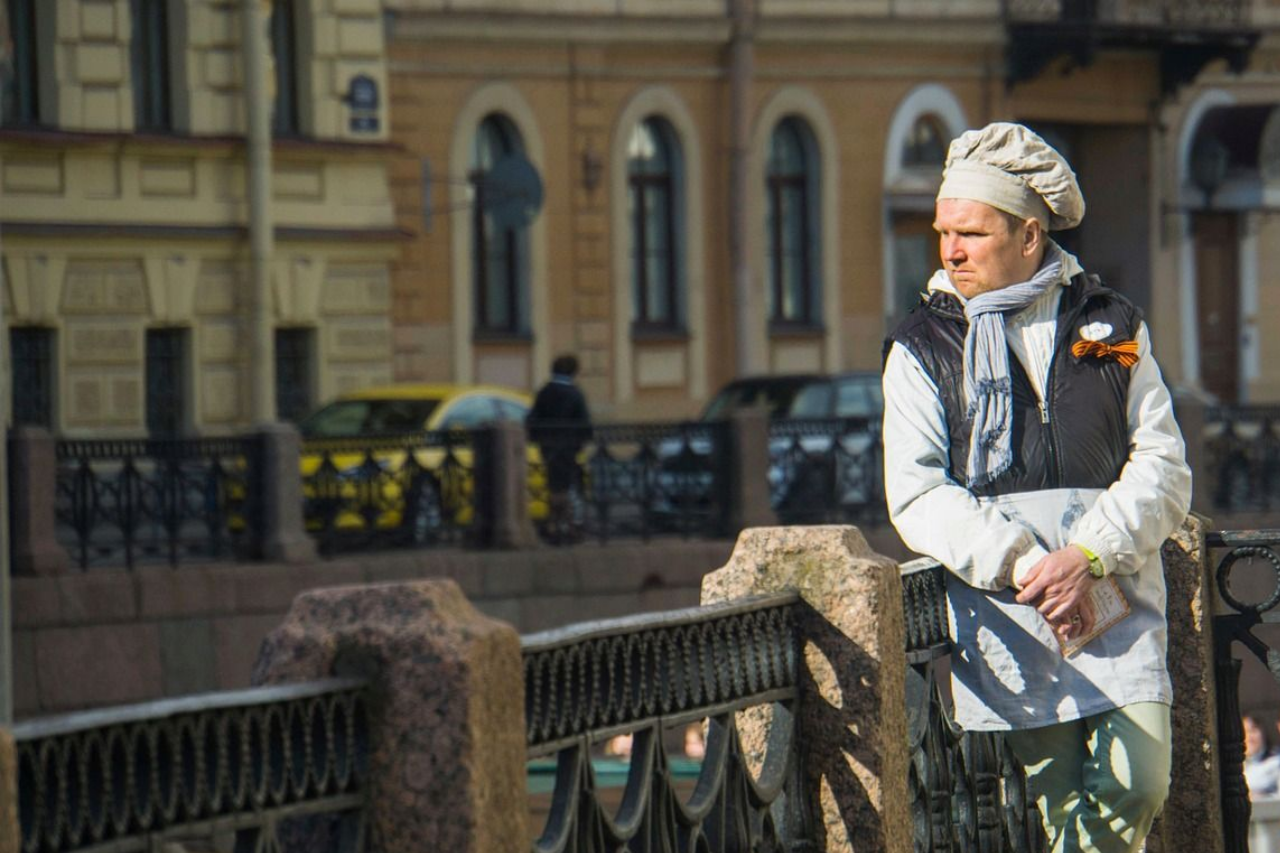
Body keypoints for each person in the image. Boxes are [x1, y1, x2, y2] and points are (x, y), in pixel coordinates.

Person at [882, 122, 1192, 853]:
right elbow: (917, 490)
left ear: (1028, 235)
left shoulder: (1111, 324)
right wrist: (1024, 563)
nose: (950, 250)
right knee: (1061, 809)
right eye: (943, 232)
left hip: (1112, 600)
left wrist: (1084, 553)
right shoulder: (922, 346)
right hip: (1009, 614)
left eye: (971, 233)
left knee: (1141, 777)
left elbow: (1164, 466)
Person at [527, 354, 592, 543]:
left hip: (547, 447)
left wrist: (540, 439)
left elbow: (532, 420)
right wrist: (579, 443)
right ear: (573, 371)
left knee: (553, 486)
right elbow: (585, 424)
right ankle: (568, 527)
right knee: (568, 487)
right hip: (568, 448)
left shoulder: (544, 392)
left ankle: (554, 525)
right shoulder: (574, 393)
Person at [1246, 713, 1280, 799]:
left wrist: (1261, 797)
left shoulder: (1276, 761)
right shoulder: (1235, 767)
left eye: (1253, 731)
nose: (1249, 737)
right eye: (1245, 732)